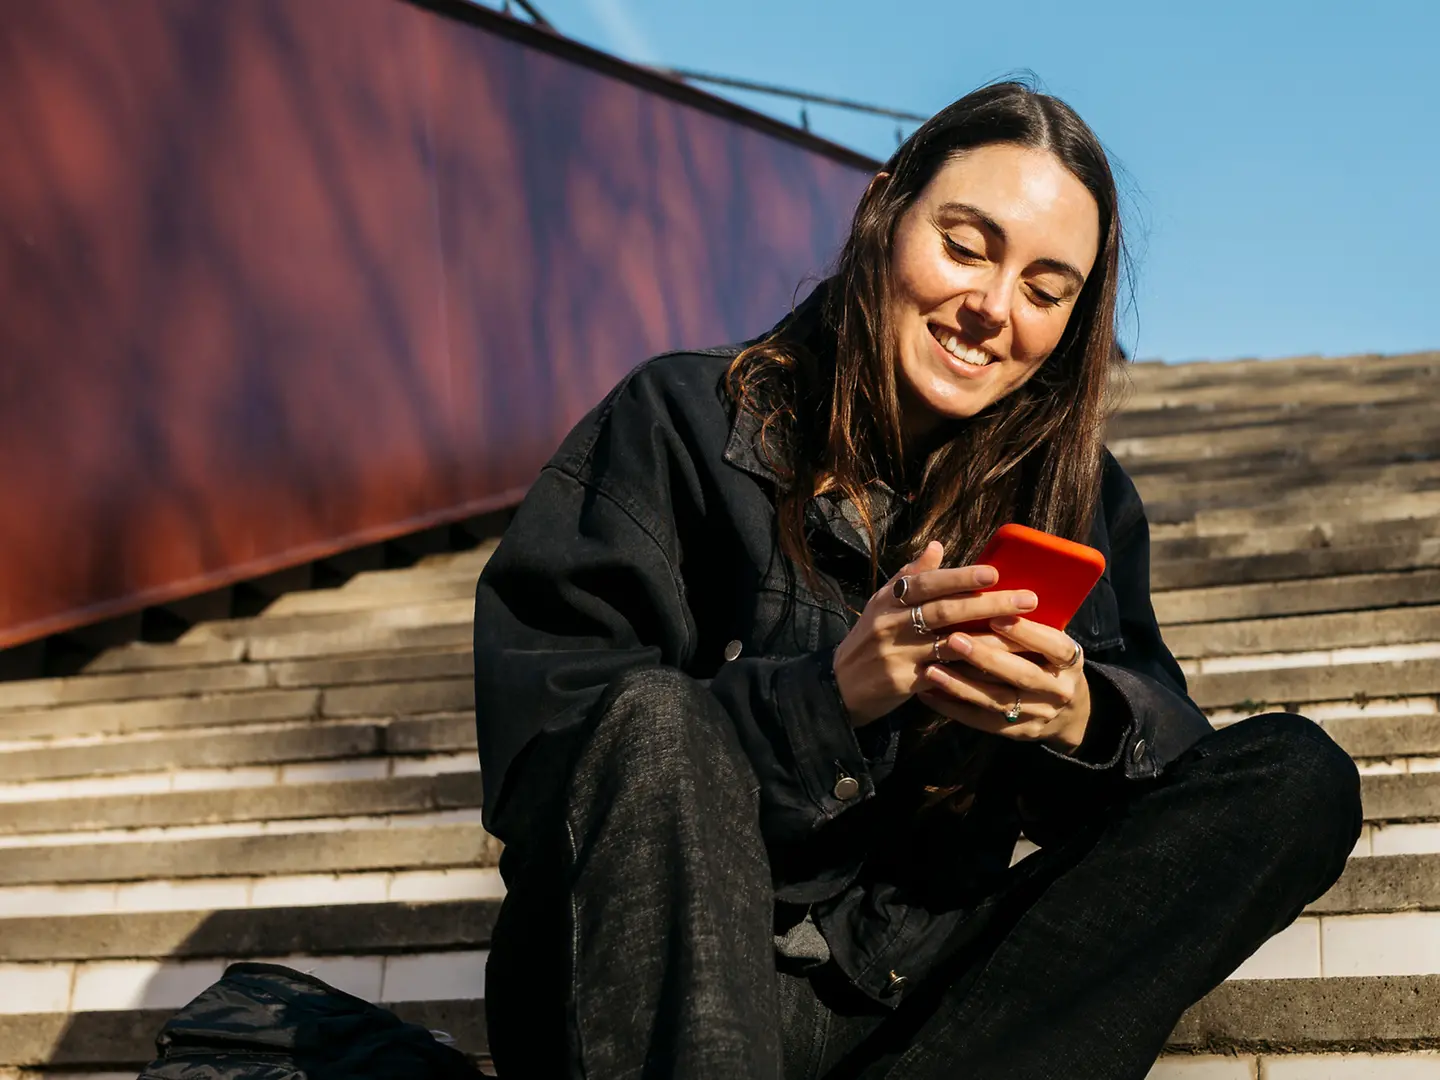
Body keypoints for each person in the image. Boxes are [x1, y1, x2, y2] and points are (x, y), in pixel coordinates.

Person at [471, 81, 1361, 1079]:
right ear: (883, 211)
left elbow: (1163, 804)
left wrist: (1076, 718)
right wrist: (827, 700)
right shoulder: (679, 422)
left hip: (908, 1008)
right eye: (968, 246)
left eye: (1045, 288)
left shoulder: (1079, 502)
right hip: (650, 985)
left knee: (1297, 777)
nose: (992, 309)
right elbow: (548, 756)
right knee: (652, 718)